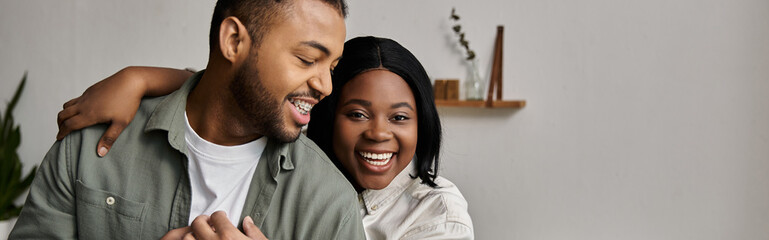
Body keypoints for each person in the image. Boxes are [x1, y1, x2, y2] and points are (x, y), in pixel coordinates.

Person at [56, 36, 475, 239]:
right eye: (357, 113)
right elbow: (241, 91)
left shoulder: (439, 215)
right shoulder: (298, 164)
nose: (379, 132)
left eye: (400, 117)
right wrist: (139, 77)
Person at [10, 0, 367, 239]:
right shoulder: (91, 145)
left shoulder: (330, 206)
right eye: (307, 59)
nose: (325, 85)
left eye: (332, 67)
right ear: (233, 41)